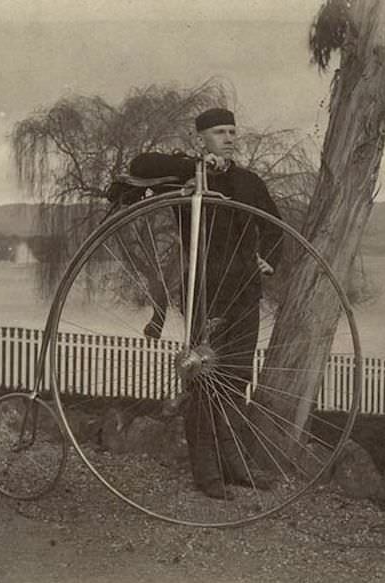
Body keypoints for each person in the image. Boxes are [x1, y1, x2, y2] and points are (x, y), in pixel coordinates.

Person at [128, 108, 283, 500]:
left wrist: (269, 259)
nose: (229, 137)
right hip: (205, 291)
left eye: (232, 131)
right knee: (204, 379)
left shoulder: (249, 181)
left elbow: (276, 228)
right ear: (202, 137)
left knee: (236, 380)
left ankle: (235, 466)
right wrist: (194, 164)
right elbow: (140, 165)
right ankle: (207, 474)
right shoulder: (188, 175)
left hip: (245, 291)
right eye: (218, 132)